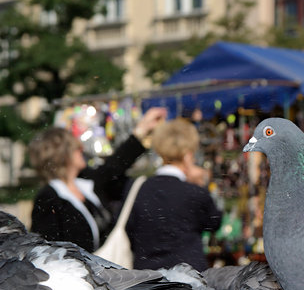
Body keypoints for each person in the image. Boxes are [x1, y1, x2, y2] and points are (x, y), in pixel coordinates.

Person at [29, 107, 167, 253]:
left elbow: (113, 167)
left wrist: (141, 130)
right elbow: (47, 252)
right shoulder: (48, 199)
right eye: (75, 147)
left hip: (105, 270)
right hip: (79, 273)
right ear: (62, 155)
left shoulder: (84, 184)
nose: (81, 148)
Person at [125, 119, 222, 272]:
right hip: (189, 279)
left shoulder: (137, 188)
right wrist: (203, 185)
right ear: (188, 155)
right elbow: (214, 222)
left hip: (146, 280)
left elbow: (130, 229)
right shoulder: (194, 192)